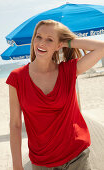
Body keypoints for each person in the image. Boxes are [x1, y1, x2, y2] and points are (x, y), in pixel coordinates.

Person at [6, 20, 104, 170]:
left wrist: (68, 42)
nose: (41, 43)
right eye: (38, 37)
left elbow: (101, 48)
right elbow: (15, 124)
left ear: (59, 45)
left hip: (77, 156)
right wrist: (17, 165)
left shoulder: (69, 71)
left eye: (49, 39)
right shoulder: (17, 77)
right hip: (42, 161)